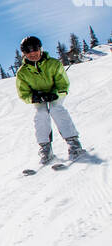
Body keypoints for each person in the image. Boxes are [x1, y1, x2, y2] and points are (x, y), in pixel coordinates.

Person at [15, 35, 84, 166]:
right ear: (24, 54)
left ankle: (73, 143)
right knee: (41, 114)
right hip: (38, 97)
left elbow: (63, 84)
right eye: (28, 51)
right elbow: (23, 93)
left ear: (40, 49)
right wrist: (33, 97)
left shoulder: (53, 63)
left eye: (34, 49)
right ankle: (45, 148)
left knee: (55, 109)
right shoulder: (22, 72)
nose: (32, 53)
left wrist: (55, 94)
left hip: (55, 93)